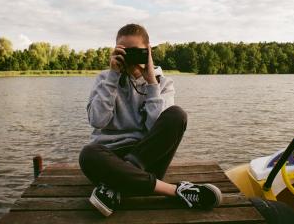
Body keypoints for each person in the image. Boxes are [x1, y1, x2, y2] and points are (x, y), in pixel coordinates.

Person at [79, 23, 222, 217]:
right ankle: (176, 191)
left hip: (147, 157)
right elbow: (98, 121)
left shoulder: (163, 82)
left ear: (148, 51)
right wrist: (113, 77)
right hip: (110, 158)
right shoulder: (105, 79)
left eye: (135, 52)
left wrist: (151, 83)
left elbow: (157, 128)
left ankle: (116, 186)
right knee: (88, 153)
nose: (129, 57)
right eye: (124, 51)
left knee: (177, 114)